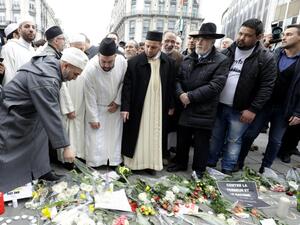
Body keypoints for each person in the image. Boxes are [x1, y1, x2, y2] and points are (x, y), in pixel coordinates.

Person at [0, 47, 89, 192]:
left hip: (31, 112)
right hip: (14, 113)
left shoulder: (53, 64)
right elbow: (51, 113)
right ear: (65, 65)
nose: (75, 78)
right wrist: (66, 147)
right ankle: (8, 183)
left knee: (39, 142)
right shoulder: (46, 79)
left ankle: (41, 172)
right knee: (8, 150)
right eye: (75, 74)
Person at [207, 18, 276, 175]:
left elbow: (267, 87)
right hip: (219, 105)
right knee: (216, 137)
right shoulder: (227, 52)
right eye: (240, 33)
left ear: (258, 37)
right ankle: (210, 163)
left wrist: (253, 109)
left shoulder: (265, 57)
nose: (241, 38)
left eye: (247, 35)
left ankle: (227, 169)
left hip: (241, 110)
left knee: (234, 140)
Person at [167, 23, 229, 180]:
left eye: (205, 39)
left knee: (201, 142)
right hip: (185, 107)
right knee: (183, 138)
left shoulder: (221, 60)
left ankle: (199, 169)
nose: (200, 42)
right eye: (198, 39)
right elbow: (177, 79)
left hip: (204, 109)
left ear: (213, 42)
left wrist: (191, 96)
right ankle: (180, 162)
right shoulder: (188, 58)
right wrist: (181, 94)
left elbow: (215, 85)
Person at [237, 24, 300, 172]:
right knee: (250, 134)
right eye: (284, 34)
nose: (284, 37)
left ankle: (265, 169)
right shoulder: (275, 54)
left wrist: (298, 112)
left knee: (275, 141)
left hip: (284, 108)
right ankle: (238, 162)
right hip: (264, 104)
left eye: (289, 34)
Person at [121, 31, 175, 173]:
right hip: (139, 106)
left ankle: (151, 164)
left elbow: (171, 85)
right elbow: (127, 87)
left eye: (153, 47)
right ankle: (134, 165)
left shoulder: (169, 62)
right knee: (138, 134)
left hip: (158, 106)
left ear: (160, 46)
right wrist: (125, 107)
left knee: (155, 134)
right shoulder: (133, 62)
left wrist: (171, 105)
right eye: (147, 46)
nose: (149, 50)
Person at [85, 38, 127, 167]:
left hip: (115, 107)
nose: (106, 65)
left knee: (114, 138)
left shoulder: (122, 62)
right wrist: (93, 117)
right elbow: (89, 95)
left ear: (115, 56)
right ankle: (96, 163)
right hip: (97, 107)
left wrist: (117, 101)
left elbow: (124, 83)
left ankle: (113, 161)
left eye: (110, 61)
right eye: (103, 61)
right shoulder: (90, 68)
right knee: (96, 138)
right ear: (98, 56)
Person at [57, 34, 87, 163]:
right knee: (65, 129)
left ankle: (77, 156)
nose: (80, 51)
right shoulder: (64, 61)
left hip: (80, 102)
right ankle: (65, 160)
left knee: (78, 131)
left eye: (82, 49)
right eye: (77, 48)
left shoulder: (84, 61)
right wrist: (68, 108)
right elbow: (62, 87)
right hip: (67, 104)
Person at [1, 19, 36, 85]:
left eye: (33, 27)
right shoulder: (9, 47)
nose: (31, 29)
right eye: (27, 26)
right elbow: (8, 80)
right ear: (19, 30)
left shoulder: (32, 49)